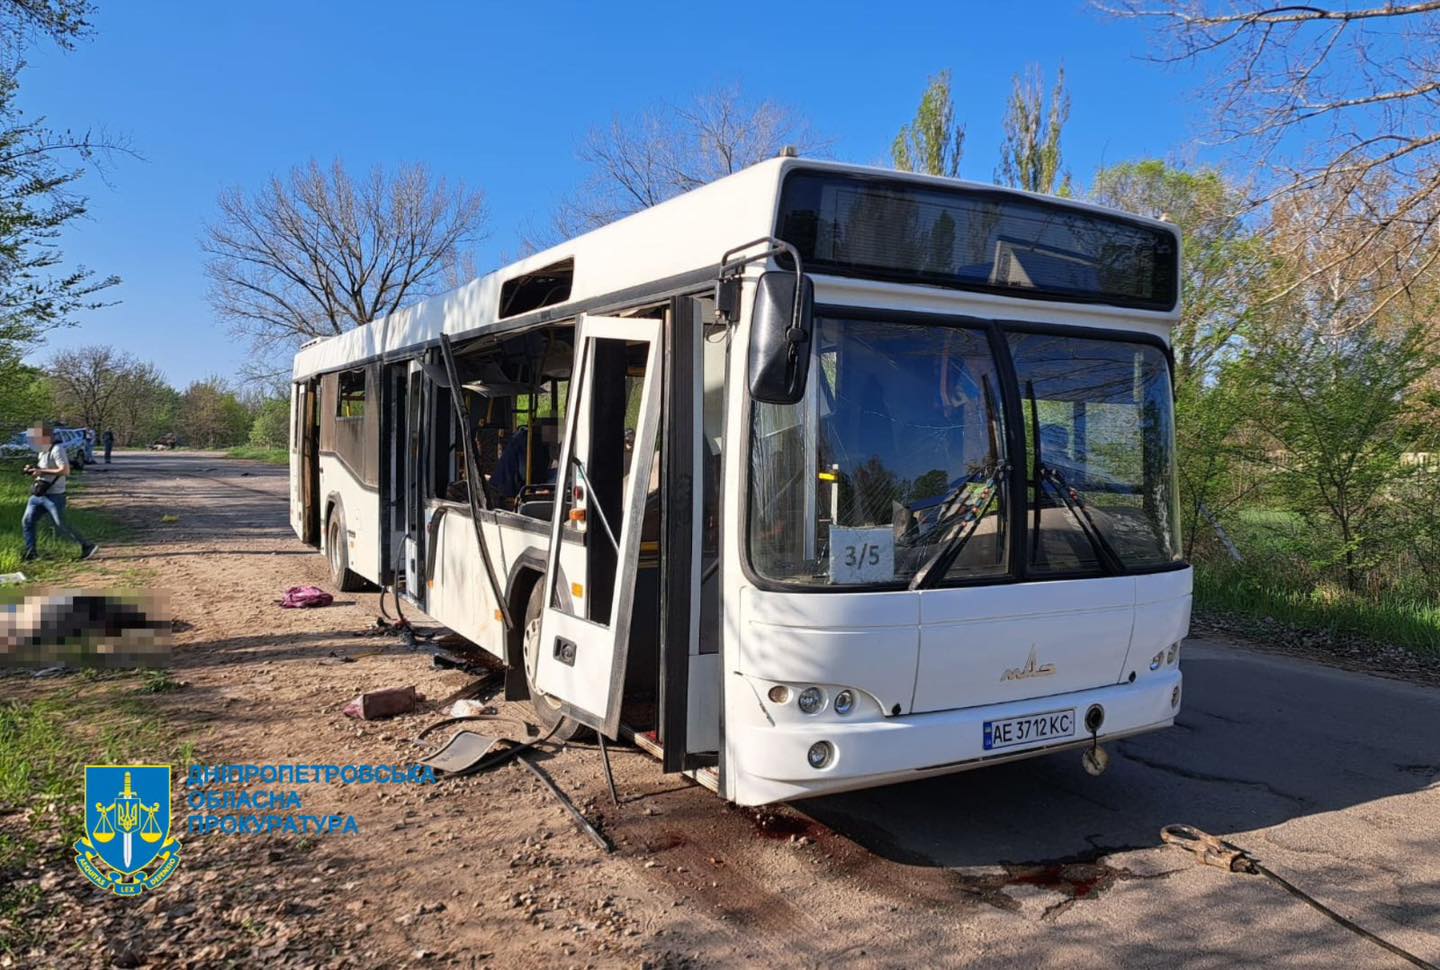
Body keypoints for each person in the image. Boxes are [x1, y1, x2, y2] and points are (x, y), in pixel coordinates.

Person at [22, 422, 98, 562]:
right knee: (27, 522)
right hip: (38, 494)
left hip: (54, 495)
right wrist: (33, 469)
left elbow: (65, 470)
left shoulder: (57, 449)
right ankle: (30, 552)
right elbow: (43, 468)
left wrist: (42, 471)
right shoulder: (42, 451)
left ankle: (87, 545)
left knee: (61, 524)